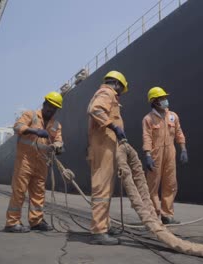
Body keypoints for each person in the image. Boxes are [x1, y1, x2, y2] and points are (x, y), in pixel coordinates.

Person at [4, 92, 64, 233]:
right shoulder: (30, 115)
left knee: (38, 194)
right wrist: (35, 131)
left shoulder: (56, 125)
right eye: (50, 106)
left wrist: (58, 146)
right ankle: (12, 222)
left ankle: (36, 221)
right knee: (19, 192)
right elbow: (17, 127)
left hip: (42, 163)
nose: (51, 110)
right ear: (44, 104)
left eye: (55, 108)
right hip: (25, 161)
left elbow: (59, 140)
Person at [87, 70, 128, 245]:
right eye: (121, 89)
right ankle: (98, 231)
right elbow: (95, 109)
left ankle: (105, 224)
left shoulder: (108, 94)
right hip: (103, 148)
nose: (120, 93)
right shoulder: (107, 92)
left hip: (107, 148)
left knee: (106, 190)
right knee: (102, 190)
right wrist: (113, 126)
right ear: (117, 84)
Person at [142, 87, 188, 225]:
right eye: (161, 98)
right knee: (153, 186)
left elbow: (179, 132)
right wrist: (148, 155)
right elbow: (147, 137)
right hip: (155, 154)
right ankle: (154, 216)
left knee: (170, 184)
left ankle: (166, 215)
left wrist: (183, 149)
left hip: (170, 153)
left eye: (164, 98)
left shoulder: (173, 116)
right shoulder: (148, 119)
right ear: (155, 102)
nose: (165, 100)